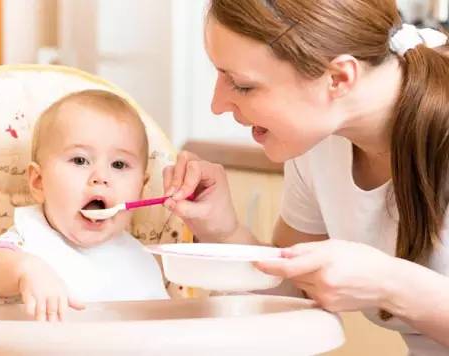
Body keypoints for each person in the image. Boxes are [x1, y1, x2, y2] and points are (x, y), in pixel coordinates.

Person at [163, 0, 449, 354]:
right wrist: (221, 230)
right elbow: (295, 290)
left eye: (243, 85)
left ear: (339, 78)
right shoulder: (319, 142)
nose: (218, 104)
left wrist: (391, 284)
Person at [0, 89, 168, 322]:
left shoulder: (140, 259)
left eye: (119, 164)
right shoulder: (29, 241)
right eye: (80, 160)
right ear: (38, 182)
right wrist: (25, 270)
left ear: (141, 190)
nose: (101, 177)